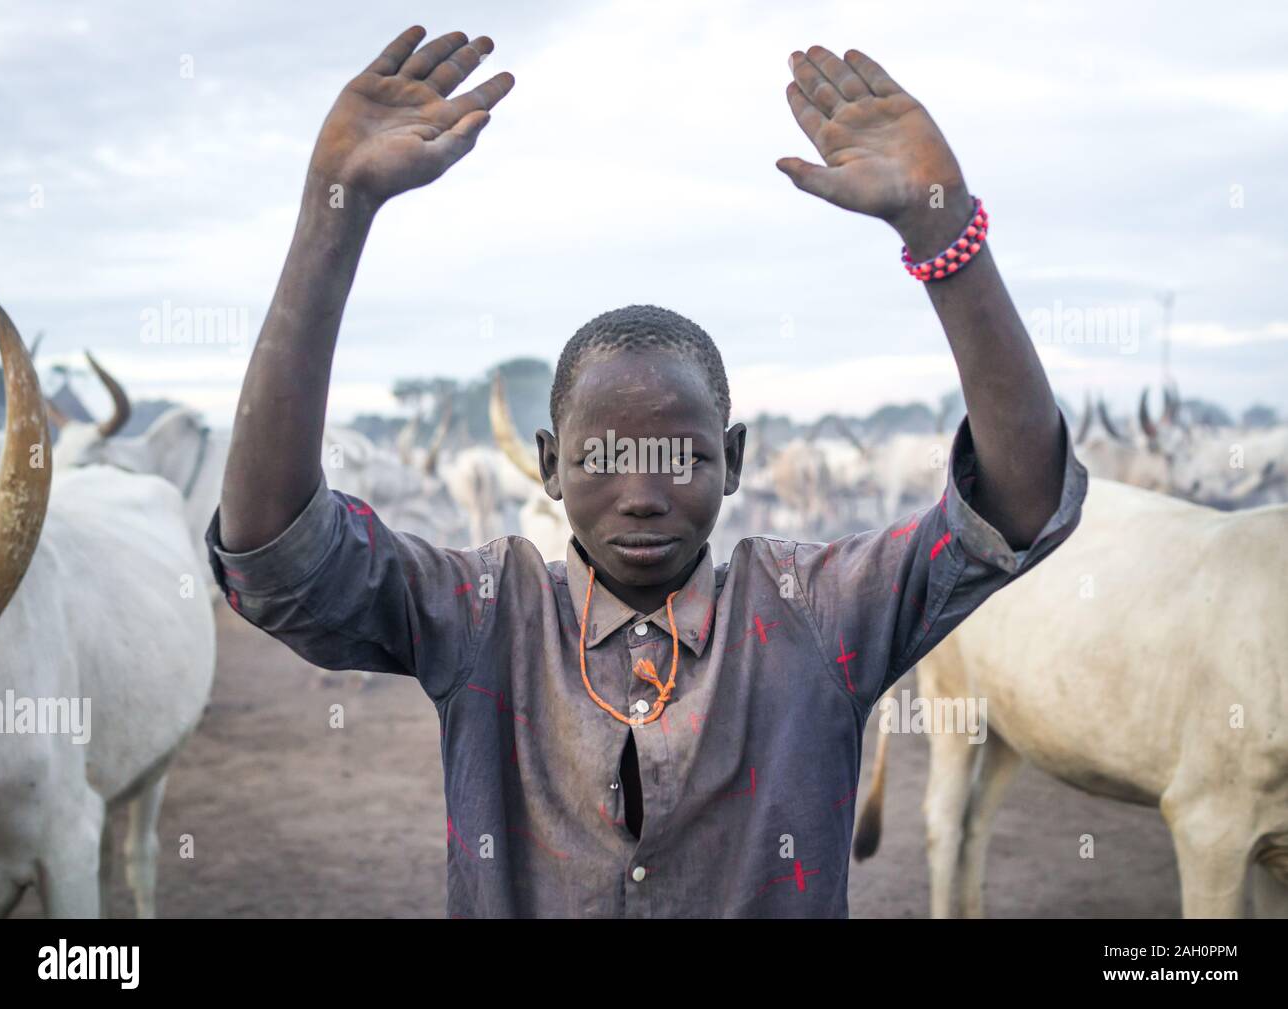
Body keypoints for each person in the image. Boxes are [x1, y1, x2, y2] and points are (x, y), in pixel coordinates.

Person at [208, 25, 1088, 918]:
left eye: (682, 455)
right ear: (549, 466)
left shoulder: (817, 612)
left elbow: (1019, 499)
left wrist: (946, 235)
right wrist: (335, 214)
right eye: (602, 456)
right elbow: (275, 551)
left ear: (734, 461)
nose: (641, 490)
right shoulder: (485, 617)